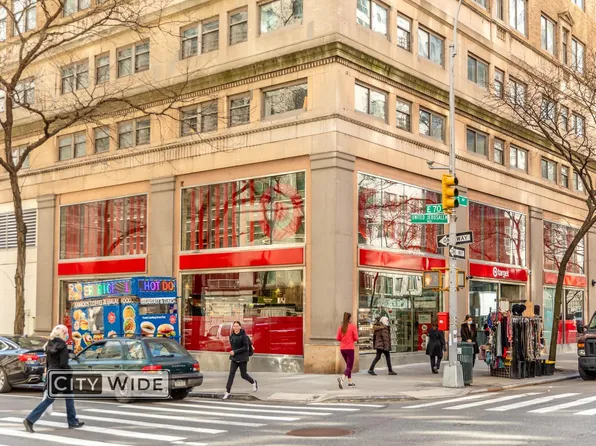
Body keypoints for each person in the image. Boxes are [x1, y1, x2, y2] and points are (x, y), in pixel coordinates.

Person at [23, 324, 84, 433]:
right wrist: (70, 371)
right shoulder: (63, 346)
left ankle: (30, 420)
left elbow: (48, 363)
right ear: (63, 334)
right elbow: (63, 363)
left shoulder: (48, 345)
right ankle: (30, 420)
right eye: (66, 333)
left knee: (53, 398)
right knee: (67, 397)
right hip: (61, 375)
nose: (67, 335)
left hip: (52, 373)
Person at [223, 321, 257, 400]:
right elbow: (233, 347)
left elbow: (246, 348)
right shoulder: (231, 336)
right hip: (234, 358)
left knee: (243, 375)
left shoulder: (244, 336)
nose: (235, 327)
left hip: (242, 358)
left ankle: (253, 382)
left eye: (237, 326)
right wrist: (233, 352)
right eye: (234, 326)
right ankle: (227, 392)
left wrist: (235, 352)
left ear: (240, 327)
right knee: (231, 375)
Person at [336, 312, 358, 389]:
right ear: (349, 319)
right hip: (350, 348)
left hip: (342, 348)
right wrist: (350, 339)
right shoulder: (353, 327)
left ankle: (350, 382)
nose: (352, 319)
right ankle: (342, 378)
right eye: (351, 318)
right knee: (350, 367)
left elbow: (338, 338)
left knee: (348, 366)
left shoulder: (341, 327)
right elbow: (356, 338)